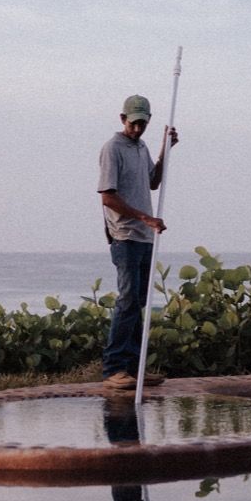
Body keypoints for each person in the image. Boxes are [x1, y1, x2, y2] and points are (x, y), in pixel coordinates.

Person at [97, 94, 179, 389]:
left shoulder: (141, 147)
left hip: (145, 236)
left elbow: (153, 182)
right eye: (133, 123)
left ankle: (133, 369)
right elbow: (108, 197)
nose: (137, 128)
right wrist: (145, 218)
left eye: (142, 124)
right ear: (123, 119)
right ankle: (114, 369)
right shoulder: (112, 148)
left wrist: (166, 149)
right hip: (125, 235)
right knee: (128, 300)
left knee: (138, 302)